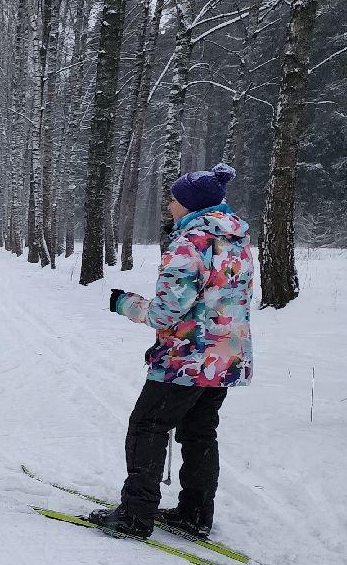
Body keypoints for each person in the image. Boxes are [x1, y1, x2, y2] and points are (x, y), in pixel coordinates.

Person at [90, 163, 252, 538]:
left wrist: (125, 303)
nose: (169, 205)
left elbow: (165, 312)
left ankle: (135, 515)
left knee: (147, 426)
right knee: (199, 433)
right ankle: (195, 514)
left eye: (174, 199)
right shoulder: (237, 242)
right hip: (224, 357)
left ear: (191, 204)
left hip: (186, 359)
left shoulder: (190, 244)